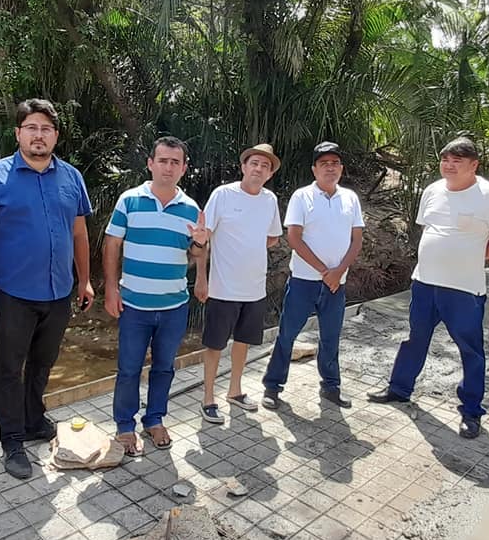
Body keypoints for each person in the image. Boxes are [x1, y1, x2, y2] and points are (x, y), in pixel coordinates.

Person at [0, 98, 95, 479]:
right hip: (12, 292)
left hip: (58, 292)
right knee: (9, 367)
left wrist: (84, 279)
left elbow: (79, 233)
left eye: (47, 129)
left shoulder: (71, 176)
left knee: (43, 361)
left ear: (56, 135)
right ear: (19, 132)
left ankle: (34, 419)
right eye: (32, 128)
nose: (39, 135)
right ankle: (11, 440)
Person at [367, 137, 489, 439]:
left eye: (457, 162)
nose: (449, 166)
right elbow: (429, 229)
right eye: (445, 160)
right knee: (415, 338)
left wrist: (472, 257)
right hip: (424, 283)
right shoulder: (433, 190)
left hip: (463, 289)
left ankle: (471, 412)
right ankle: (399, 389)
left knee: (470, 350)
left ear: (474, 165)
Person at [104, 136, 209, 456]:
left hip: (174, 305)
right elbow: (112, 245)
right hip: (134, 304)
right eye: (162, 160)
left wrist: (202, 243)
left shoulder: (191, 209)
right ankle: (124, 425)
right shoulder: (129, 200)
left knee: (164, 367)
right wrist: (111, 287)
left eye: (175, 162)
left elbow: (194, 253)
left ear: (184, 168)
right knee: (129, 368)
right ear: (150, 164)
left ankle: (154, 419)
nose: (168, 167)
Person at [261, 142, 364, 410]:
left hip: (335, 285)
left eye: (335, 163)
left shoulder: (350, 198)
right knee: (287, 334)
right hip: (304, 281)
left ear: (341, 168)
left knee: (330, 337)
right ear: (314, 169)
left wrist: (338, 272)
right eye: (324, 163)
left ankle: (331, 386)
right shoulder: (302, 196)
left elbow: (357, 240)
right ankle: (273, 386)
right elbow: (294, 238)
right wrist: (323, 270)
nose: (330, 168)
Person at [193, 143, 283, 424]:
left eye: (265, 166)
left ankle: (235, 391)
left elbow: (273, 237)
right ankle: (208, 398)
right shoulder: (223, 195)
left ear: (269, 174)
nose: (259, 168)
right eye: (254, 163)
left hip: (254, 288)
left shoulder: (269, 200)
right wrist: (201, 278)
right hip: (222, 288)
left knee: (243, 342)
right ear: (244, 167)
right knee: (215, 345)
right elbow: (203, 238)